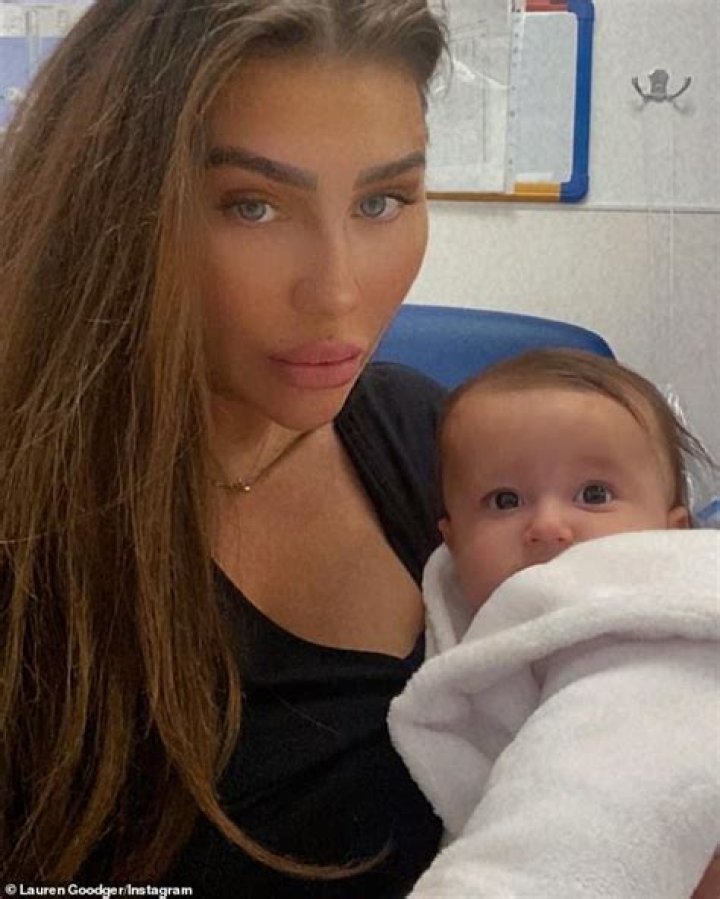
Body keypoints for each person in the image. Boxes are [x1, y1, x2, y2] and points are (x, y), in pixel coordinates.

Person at [0, 1, 448, 894]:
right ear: (110, 209)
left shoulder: (443, 443)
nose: (338, 291)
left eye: (381, 201)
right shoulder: (27, 513)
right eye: (252, 206)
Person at [389, 349, 720, 898]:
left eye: (594, 495)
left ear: (671, 533)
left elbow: (581, 817)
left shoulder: (647, 638)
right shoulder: (490, 628)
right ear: (452, 542)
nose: (548, 525)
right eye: (505, 500)